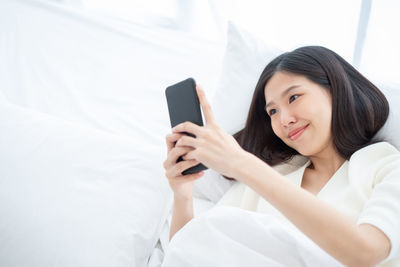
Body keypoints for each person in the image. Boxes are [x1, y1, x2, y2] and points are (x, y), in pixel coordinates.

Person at [162, 46, 400, 266]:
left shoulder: (385, 166)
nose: (284, 120)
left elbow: (368, 251)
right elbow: (191, 250)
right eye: (273, 111)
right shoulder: (271, 177)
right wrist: (183, 195)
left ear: (335, 90)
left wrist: (241, 163)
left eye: (294, 97)